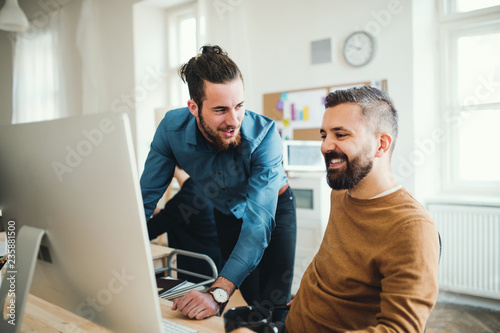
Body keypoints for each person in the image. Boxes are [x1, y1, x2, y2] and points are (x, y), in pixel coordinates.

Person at [140, 45, 297, 322]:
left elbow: (257, 225)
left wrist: (218, 293)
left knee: (273, 303)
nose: (234, 120)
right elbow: (144, 199)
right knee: (251, 297)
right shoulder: (170, 130)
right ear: (193, 107)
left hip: (273, 209)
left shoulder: (265, 136)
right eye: (221, 109)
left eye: (239, 106)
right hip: (225, 211)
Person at [285, 86, 440, 332]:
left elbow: (400, 329)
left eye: (341, 135)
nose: (326, 146)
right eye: (324, 135)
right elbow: (332, 262)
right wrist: (307, 300)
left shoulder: (412, 228)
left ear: (381, 145)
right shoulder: (340, 192)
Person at [147, 166, 224, 282]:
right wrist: (154, 210)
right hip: (214, 265)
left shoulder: (189, 196)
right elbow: (173, 216)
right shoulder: (204, 187)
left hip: (198, 272)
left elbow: (150, 230)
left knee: (149, 276)